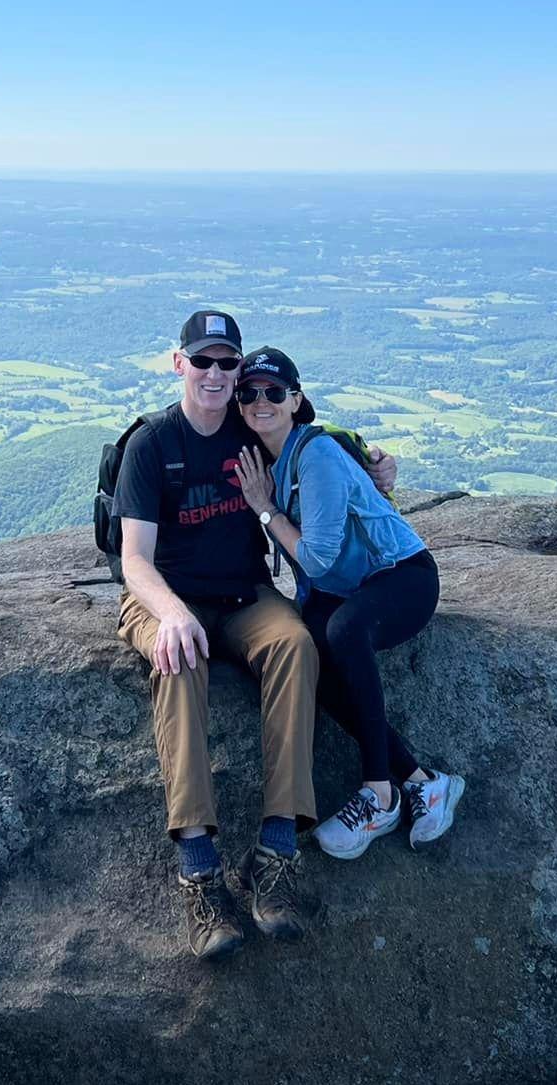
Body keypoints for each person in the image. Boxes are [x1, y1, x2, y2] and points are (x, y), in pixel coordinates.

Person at [113, 308, 397, 961]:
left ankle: (275, 851)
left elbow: (324, 442)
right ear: (178, 362)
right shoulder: (151, 446)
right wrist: (173, 614)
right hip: (164, 598)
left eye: (227, 363)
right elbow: (134, 561)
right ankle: (199, 868)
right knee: (179, 659)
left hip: (244, 596)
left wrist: (377, 465)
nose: (216, 374)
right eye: (203, 360)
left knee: (295, 644)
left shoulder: (247, 425)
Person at [233, 346, 465, 861]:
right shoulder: (264, 455)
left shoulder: (313, 454)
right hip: (344, 591)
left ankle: (378, 793)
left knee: (341, 633)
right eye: (249, 392)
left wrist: (266, 510)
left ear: (297, 400)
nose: (260, 401)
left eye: (274, 392)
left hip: (401, 577)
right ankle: (424, 782)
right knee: (304, 653)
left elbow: (315, 558)